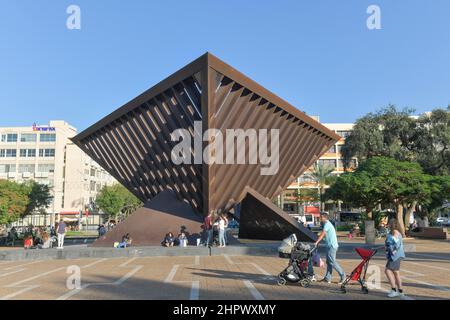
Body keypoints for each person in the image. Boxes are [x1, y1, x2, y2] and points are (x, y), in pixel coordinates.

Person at [314, 212, 345, 284]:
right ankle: (328, 278)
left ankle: (343, 276)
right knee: (329, 262)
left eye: (321, 217)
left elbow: (323, 234)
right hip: (329, 246)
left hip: (332, 246)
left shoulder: (327, 224)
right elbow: (325, 235)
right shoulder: (326, 224)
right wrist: (319, 241)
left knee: (332, 262)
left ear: (325, 217)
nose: (320, 219)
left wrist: (317, 241)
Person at [385, 219, 406, 298]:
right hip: (396, 255)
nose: (388, 224)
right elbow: (391, 244)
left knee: (387, 271)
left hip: (395, 256)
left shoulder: (395, 232)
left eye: (389, 223)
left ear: (392, 225)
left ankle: (394, 290)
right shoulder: (394, 232)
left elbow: (395, 246)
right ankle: (400, 291)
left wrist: (390, 249)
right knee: (396, 273)